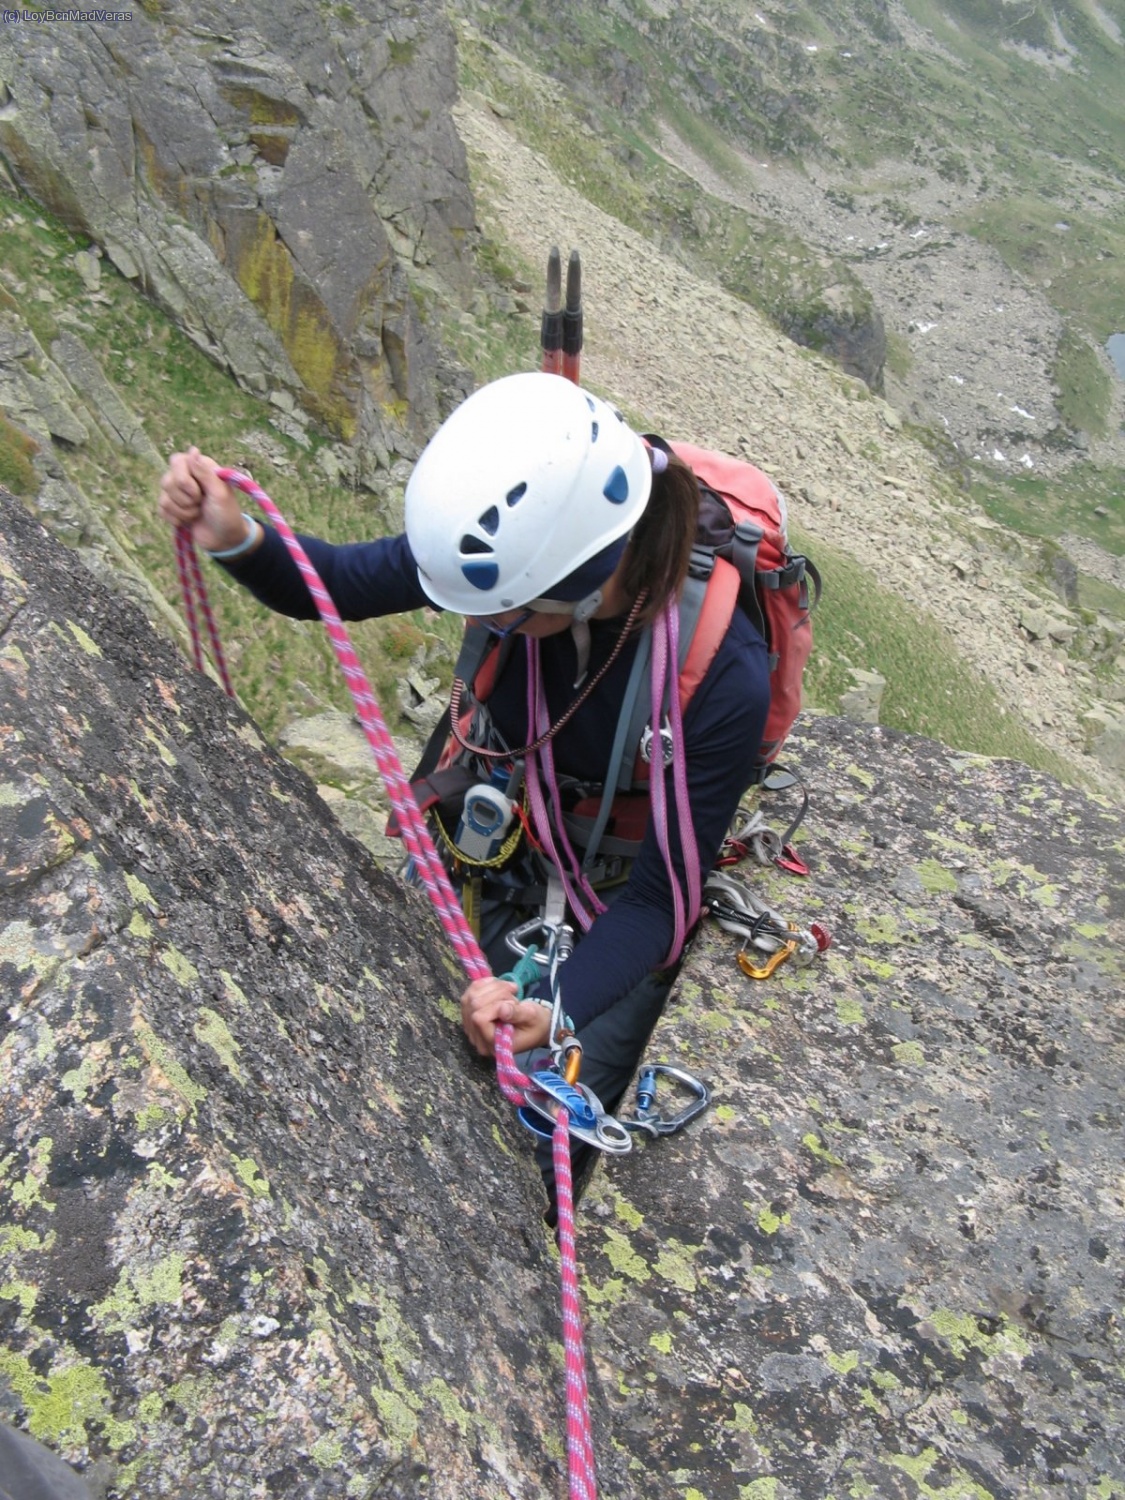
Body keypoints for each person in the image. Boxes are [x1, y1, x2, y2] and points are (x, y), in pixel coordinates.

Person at [158, 372, 770, 1213]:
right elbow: (335, 584)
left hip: (619, 888)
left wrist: (552, 1010)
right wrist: (235, 536)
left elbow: (664, 899)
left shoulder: (723, 674)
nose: (492, 625)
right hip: (498, 829)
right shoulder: (510, 549)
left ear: (589, 585)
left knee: (536, 1119)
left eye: (514, 614)